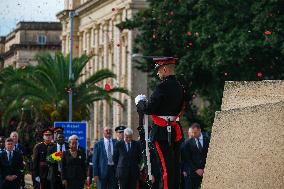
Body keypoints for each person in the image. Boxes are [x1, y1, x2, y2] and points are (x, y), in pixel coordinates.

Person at [135, 57, 185, 189]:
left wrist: (139, 102)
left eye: (158, 70)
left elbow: (149, 108)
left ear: (164, 69)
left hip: (162, 133)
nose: (157, 73)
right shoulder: (180, 87)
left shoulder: (162, 87)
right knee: (174, 168)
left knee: (166, 169)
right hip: (175, 131)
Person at [182, 123, 209, 189]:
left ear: (200, 130)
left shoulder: (208, 139)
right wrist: (196, 169)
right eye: (192, 133)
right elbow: (187, 158)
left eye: (195, 132)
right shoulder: (188, 142)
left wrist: (205, 169)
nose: (193, 134)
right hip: (193, 173)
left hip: (207, 171)